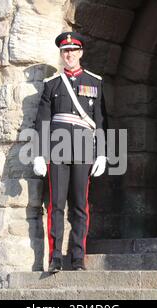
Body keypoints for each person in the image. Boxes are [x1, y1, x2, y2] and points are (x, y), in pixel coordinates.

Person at [33, 31, 107, 273]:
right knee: (55, 205)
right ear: (61, 54)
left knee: (80, 205)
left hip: (85, 147)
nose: (69, 55)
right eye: (65, 51)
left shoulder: (94, 82)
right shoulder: (51, 84)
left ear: (80, 53)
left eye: (73, 51)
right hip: (57, 149)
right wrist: (39, 154)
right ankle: (55, 258)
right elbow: (42, 121)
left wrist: (103, 153)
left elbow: (100, 120)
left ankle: (77, 258)